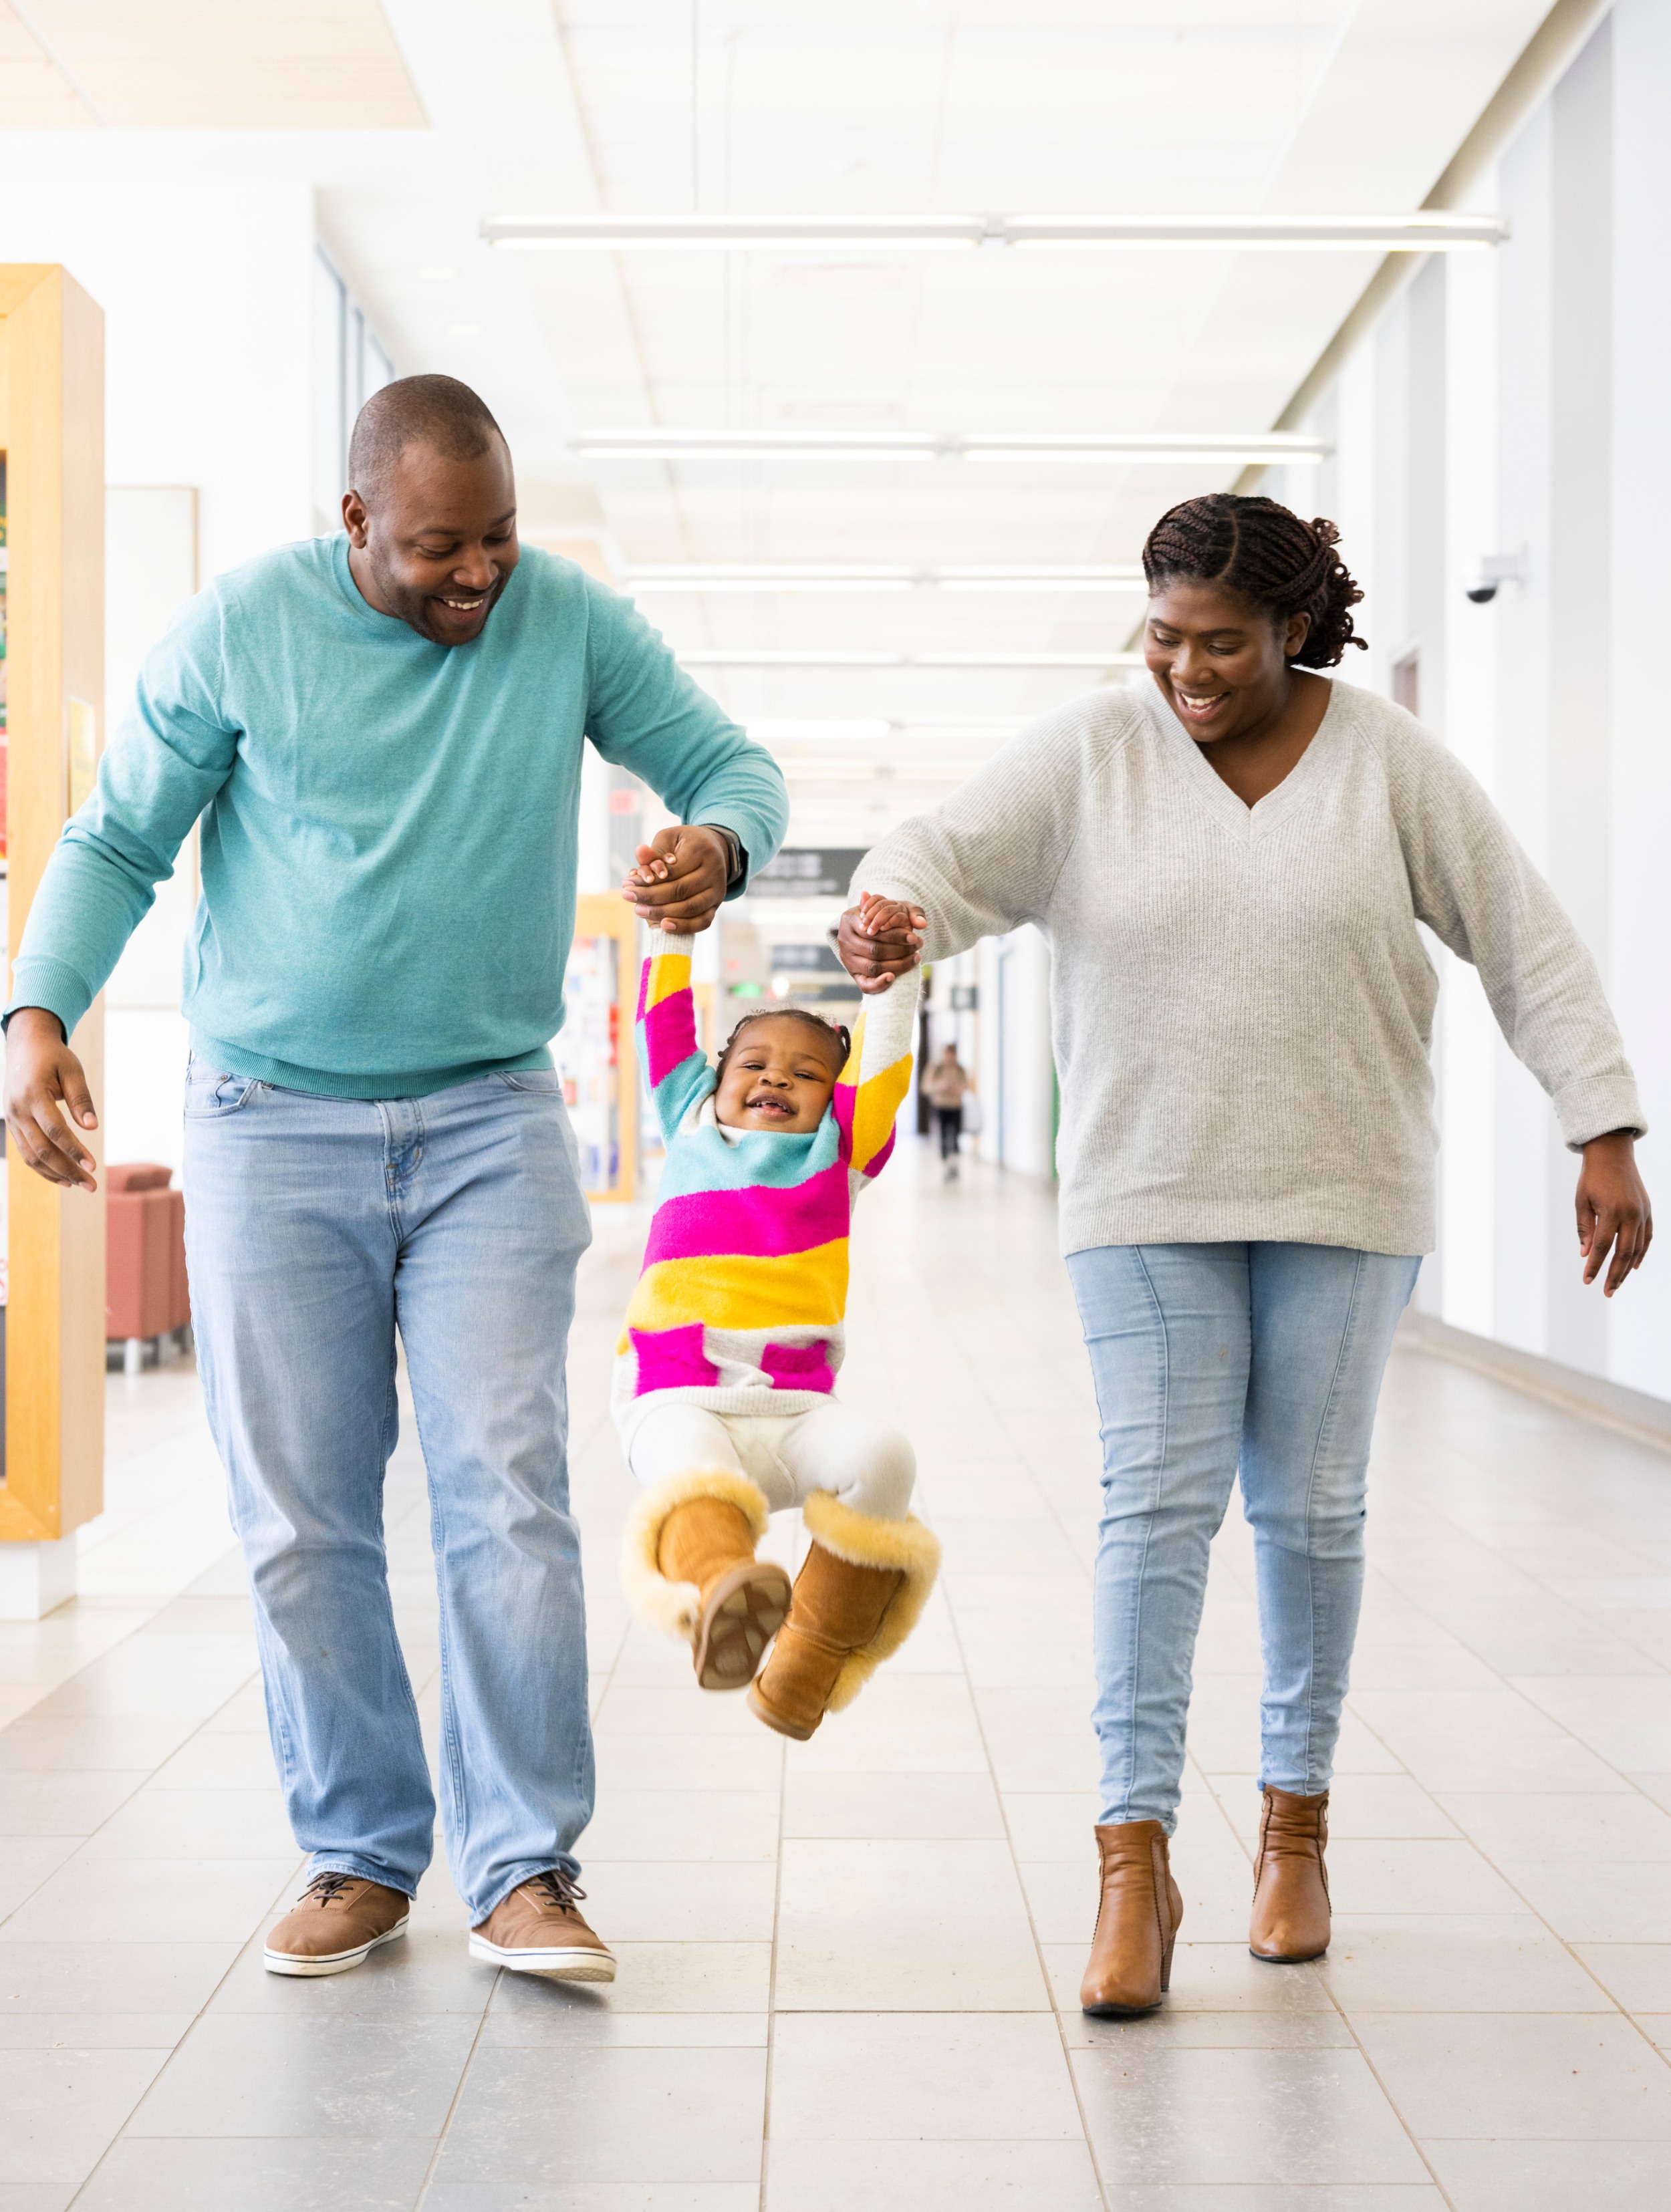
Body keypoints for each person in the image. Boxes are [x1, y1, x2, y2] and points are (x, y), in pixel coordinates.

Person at [1, 376, 787, 1982]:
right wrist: (35, 1015)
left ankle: (524, 1865)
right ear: (352, 519)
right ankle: (359, 1847)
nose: (478, 576)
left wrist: (720, 843)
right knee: (299, 1510)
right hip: (265, 1121)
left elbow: (729, 763)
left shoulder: (564, 615)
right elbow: (115, 841)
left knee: (505, 1487)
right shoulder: (239, 631)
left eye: (497, 538)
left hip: (490, 1117)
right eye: (440, 548)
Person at [836, 491, 1650, 2017]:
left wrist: (1600, 1123)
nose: (1188, 671)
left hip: (1344, 1191)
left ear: (1293, 628)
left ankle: (1294, 1828)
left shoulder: (1388, 763)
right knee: (1153, 1507)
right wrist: (893, 915)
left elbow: (1520, 931)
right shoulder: (1094, 750)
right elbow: (941, 856)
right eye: (1163, 638)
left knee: (1311, 1510)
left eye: (1221, 642)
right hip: (1145, 1188)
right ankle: (1132, 1855)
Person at [616, 895, 939, 1740]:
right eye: (753, 1065)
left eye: (805, 1075)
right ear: (711, 1084)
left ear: (831, 1102)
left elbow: (884, 1063)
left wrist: (893, 977)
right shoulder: (687, 1122)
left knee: (885, 1458)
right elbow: (662, 1021)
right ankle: (727, 1588)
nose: (775, 1079)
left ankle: (807, 1659)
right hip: (677, 1391)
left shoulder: (840, 1157)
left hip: (796, 1410)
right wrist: (673, 929)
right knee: (687, 1467)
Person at [921, 1041, 974, 1176]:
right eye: (948, 1054)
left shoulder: (960, 1069)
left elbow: (968, 1085)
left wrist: (958, 1089)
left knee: (956, 1135)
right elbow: (926, 1087)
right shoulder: (936, 1068)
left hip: (956, 1106)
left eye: (953, 1054)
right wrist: (940, 1086)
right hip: (941, 1106)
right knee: (944, 1135)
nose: (950, 1057)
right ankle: (946, 1162)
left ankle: (955, 1163)